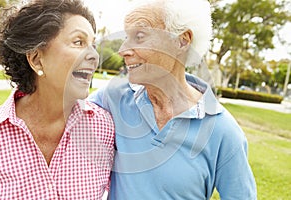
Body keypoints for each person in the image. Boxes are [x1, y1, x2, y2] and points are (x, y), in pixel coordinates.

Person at [89, 0, 257, 199]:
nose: (123, 49)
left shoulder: (223, 131)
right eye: (127, 37)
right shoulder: (113, 97)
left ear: (182, 41)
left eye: (139, 36)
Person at [0, 0, 114, 199]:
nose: (94, 56)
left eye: (93, 45)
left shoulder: (105, 128)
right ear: (36, 59)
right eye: (78, 42)